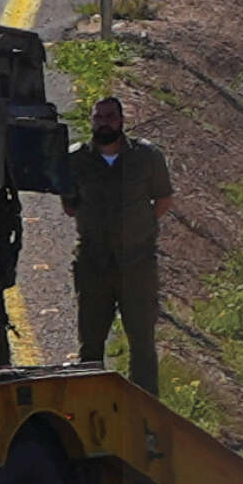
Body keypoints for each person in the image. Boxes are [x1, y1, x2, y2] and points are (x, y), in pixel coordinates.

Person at [64, 95, 173, 391]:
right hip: (93, 266)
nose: (104, 123)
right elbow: (70, 205)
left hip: (136, 265)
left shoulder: (146, 157)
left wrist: (139, 227)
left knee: (142, 345)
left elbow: (163, 199)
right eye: (98, 117)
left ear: (122, 120)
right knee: (90, 346)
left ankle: (146, 413)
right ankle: (90, 406)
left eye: (110, 117)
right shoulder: (76, 159)